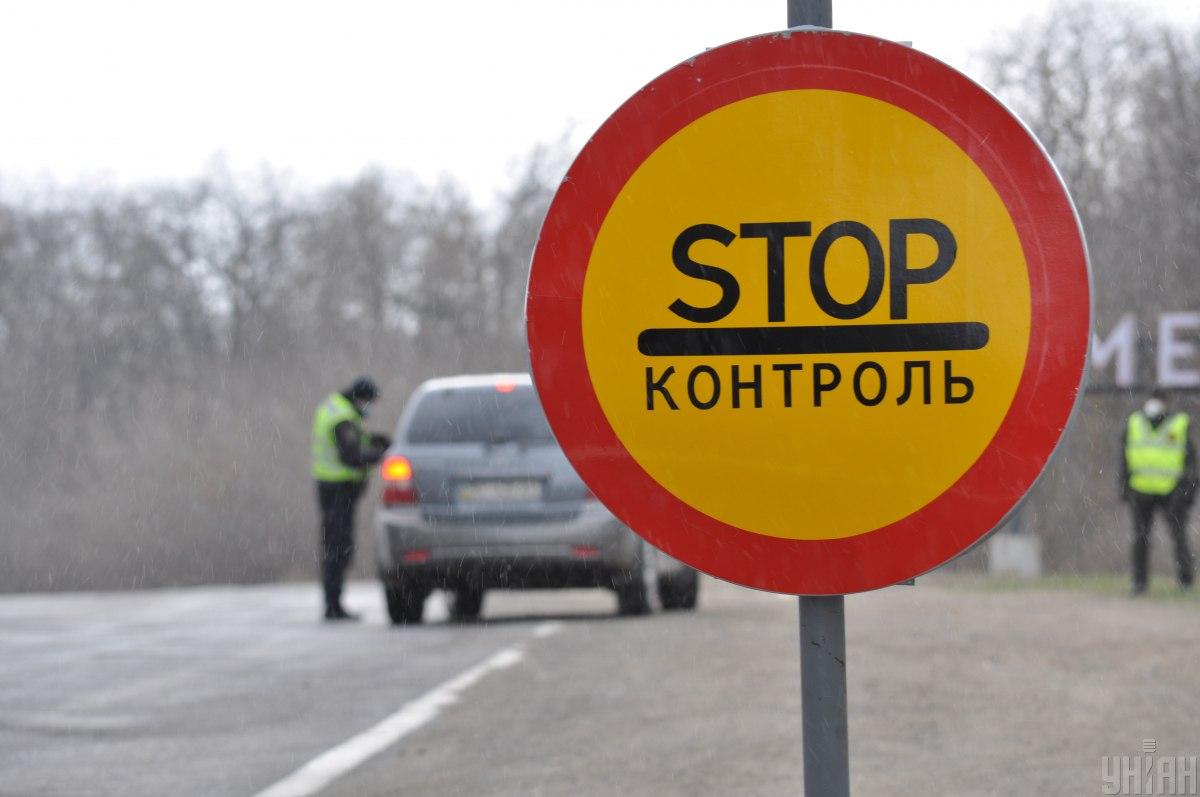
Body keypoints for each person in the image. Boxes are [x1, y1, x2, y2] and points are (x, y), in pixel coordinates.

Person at [311, 377, 391, 621]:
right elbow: (352, 455)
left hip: (335, 490)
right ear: (360, 398)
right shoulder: (342, 418)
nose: (369, 408)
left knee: (337, 546)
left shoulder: (338, 409)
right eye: (369, 403)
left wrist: (375, 442)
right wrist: (381, 453)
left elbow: (354, 443)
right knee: (337, 548)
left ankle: (334, 603)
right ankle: (333, 605)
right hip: (337, 491)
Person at [1120, 388, 1196, 595]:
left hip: (1171, 490)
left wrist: (1188, 490)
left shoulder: (1179, 423)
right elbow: (1124, 457)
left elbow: (1190, 461)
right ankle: (1139, 583)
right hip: (1141, 488)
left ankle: (1185, 581)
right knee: (1141, 537)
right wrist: (1124, 486)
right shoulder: (1134, 422)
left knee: (1178, 536)